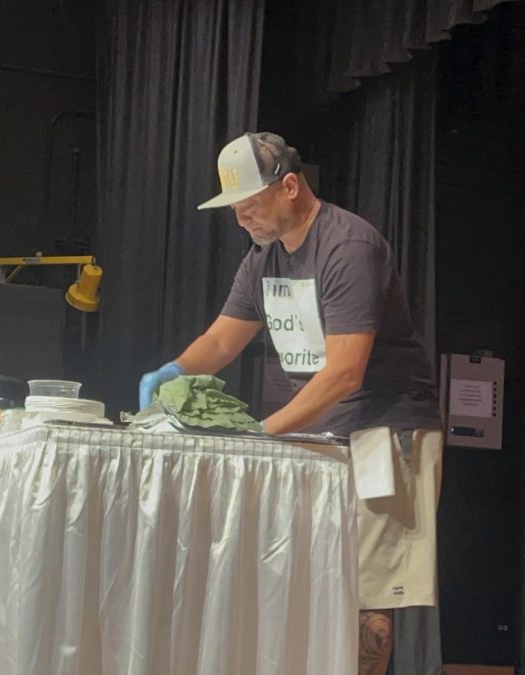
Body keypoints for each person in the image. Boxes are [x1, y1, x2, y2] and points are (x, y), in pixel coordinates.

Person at [139, 132, 443, 674]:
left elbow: (345, 372)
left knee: (366, 596)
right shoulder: (263, 259)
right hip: (316, 436)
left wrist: (261, 434)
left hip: (380, 434)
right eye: (234, 210)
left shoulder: (348, 247)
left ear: (289, 187)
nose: (241, 220)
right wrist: (173, 372)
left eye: (250, 206)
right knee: (308, 585)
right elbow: (222, 341)